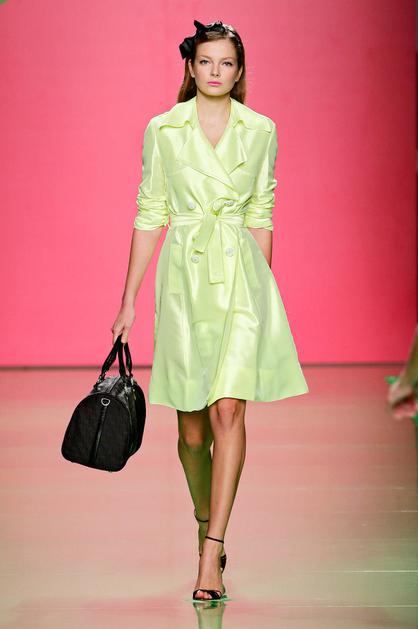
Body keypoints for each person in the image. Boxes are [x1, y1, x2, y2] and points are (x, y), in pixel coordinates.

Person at [111, 19, 309, 601]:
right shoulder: (164, 130)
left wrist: (262, 294)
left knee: (229, 409)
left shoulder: (261, 130)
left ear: (239, 70)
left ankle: (211, 551)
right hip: (184, 282)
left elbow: (262, 212)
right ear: (191, 68)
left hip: (241, 280)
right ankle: (205, 522)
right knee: (193, 433)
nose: (215, 71)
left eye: (226, 62)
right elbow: (150, 212)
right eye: (205, 62)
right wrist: (127, 300)